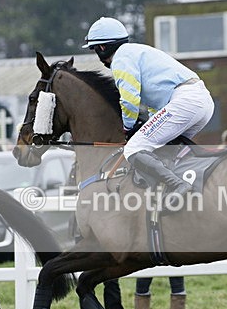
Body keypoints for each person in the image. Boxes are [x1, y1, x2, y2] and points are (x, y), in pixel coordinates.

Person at [82, 17, 214, 210]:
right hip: (201, 102)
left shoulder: (121, 58)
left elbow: (129, 100)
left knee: (133, 149)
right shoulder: (136, 52)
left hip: (185, 101)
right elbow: (156, 108)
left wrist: (127, 128)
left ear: (102, 48)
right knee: (162, 150)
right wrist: (147, 126)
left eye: (95, 50)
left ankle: (178, 185)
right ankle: (170, 190)